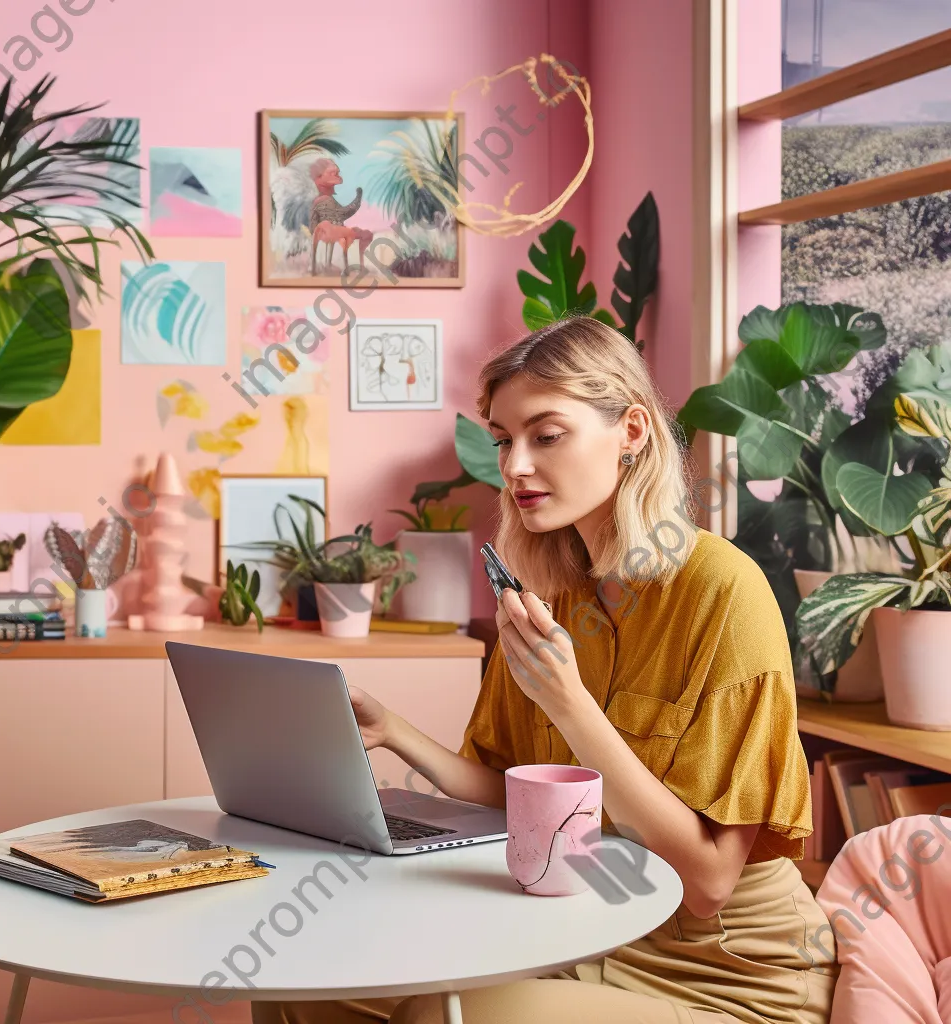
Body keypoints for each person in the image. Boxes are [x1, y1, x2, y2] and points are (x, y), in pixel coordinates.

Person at [262, 316, 839, 1024]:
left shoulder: (724, 591)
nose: (513, 466)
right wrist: (395, 733)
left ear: (631, 431)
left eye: (546, 434)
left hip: (723, 974)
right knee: (302, 985)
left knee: (446, 1017)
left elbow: (709, 881)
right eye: (504, 441)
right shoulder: (553, 594)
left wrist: (569, 704)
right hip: (578, 934)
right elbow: (513, 803)